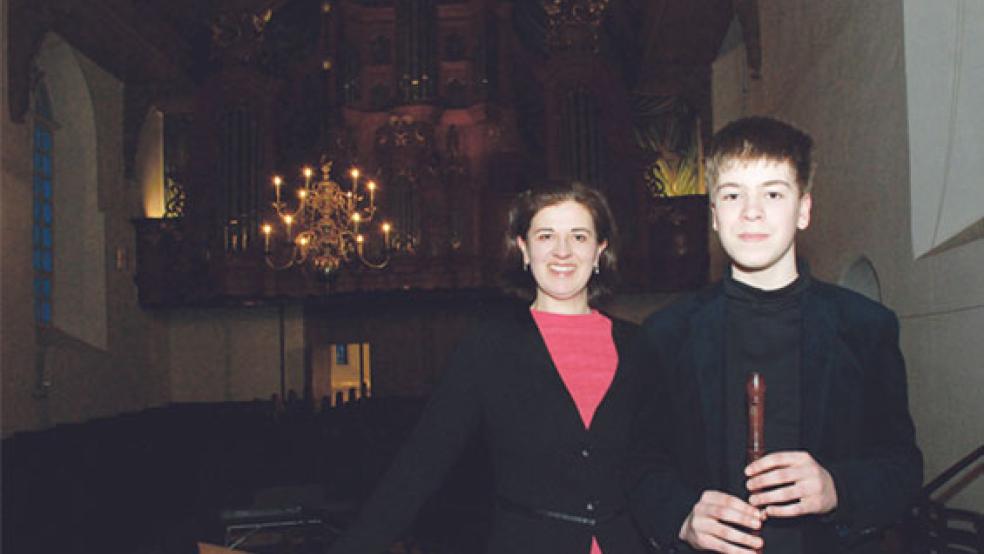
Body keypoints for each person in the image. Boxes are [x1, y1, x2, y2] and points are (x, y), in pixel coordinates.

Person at [626, 116, 922, 554]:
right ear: (713, 215)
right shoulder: (666, 334)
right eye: (732, 194)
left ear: (803, 209)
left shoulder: (866, 327)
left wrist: (836, 488)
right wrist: (683, 517)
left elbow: (902, 466)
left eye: (773, 193)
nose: (751, 211)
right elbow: (641, 464)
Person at [328, 181, 650, 554]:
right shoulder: (487, 346)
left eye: (579, 237)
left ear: (599, 251)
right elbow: (420, 465)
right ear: (524, 249)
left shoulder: (639, 344)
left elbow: (658, 465)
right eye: (546, 236)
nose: (562, 251)